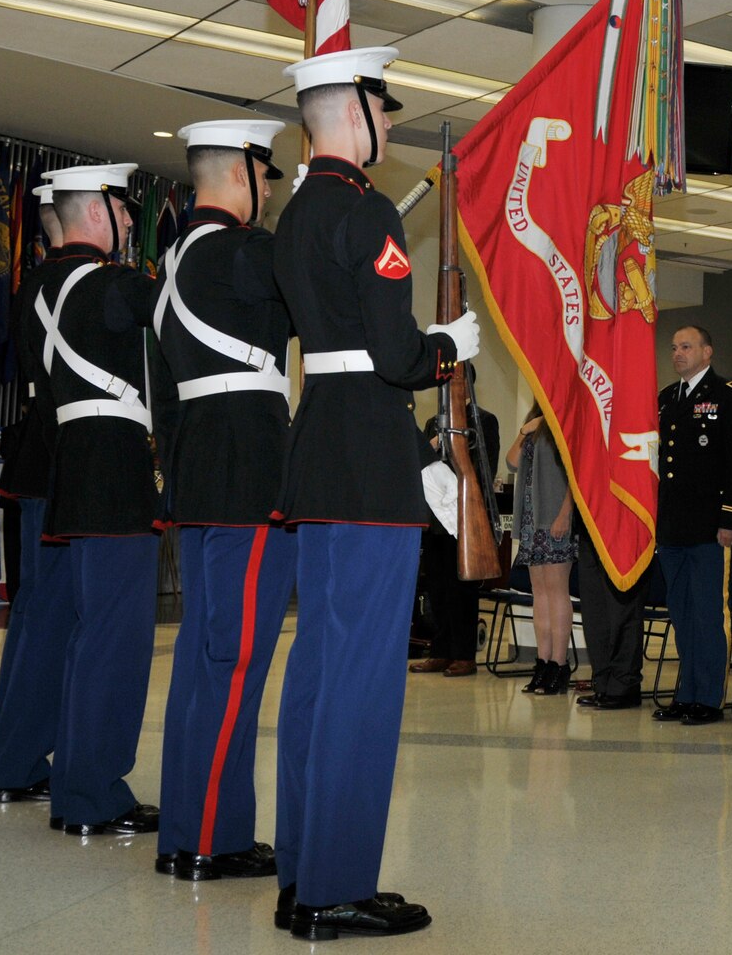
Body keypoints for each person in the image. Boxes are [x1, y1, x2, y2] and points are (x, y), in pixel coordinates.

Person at [272, 46, 479, 940]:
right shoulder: (368, 210)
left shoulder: (290, 214)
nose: (389, 123)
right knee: (359, 687)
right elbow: (397, 356)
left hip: (320, 455)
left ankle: (300, 873)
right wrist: (450, 346)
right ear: (351, 109)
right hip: (368, 463)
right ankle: (336, 888)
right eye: (383, 108)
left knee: (318, 677)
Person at [152, 120, 294, 883]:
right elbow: (317, 296)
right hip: (248, 470)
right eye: (265, 177)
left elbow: (162, 398)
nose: (268, 191)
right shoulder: (240, 254)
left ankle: (188, 829)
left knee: (204, 667)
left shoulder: (172, 259)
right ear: (239, 172)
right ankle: (212, 839)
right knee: (235, 663)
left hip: (203, 474)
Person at [21, 162, 164, 838]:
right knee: (115, 641)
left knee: (87, 639)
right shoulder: (111, 285)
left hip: (72, 468)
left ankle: (78, 781)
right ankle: (90, 793)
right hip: (113, 471)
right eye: (123, 209)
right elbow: (182, 311)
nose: (132, 221)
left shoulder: (40, 287)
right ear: (97, 212)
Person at [0, 183, 72, 806]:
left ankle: (11, 757)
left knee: (38, 618)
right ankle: (15, 763)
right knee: (48, 620)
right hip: (59, 460)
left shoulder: (36, 281)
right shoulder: (67, 284)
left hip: (39, 456)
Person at [651, 325, 732, 723]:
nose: (678, 353)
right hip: (673, 526)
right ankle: (686, 692)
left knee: (709, 613)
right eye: (675, 347)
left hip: (711, 527)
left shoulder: (729, 395)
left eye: (687, 346)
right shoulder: (665, 399)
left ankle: (708, 697)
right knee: (681, 611)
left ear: (707, 352)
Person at [410, 405, 500, 678]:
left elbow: (486, 467)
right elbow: (421, 464)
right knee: (437, 590)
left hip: (465, 516)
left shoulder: (483, 420)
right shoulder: (432, 422)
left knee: (463, 590)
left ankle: (463, 655)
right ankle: (440, 651)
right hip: (435, 519)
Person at [507, 405, 577, 695]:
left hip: (555, 515)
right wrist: (526, 430)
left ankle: (559, 666)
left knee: (556, 591)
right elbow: (511, 462)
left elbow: (577, 473)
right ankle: (542, 663)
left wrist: (565, 514)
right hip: (530, 518)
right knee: (540, 594)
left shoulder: (567, 417)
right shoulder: (534, 421)